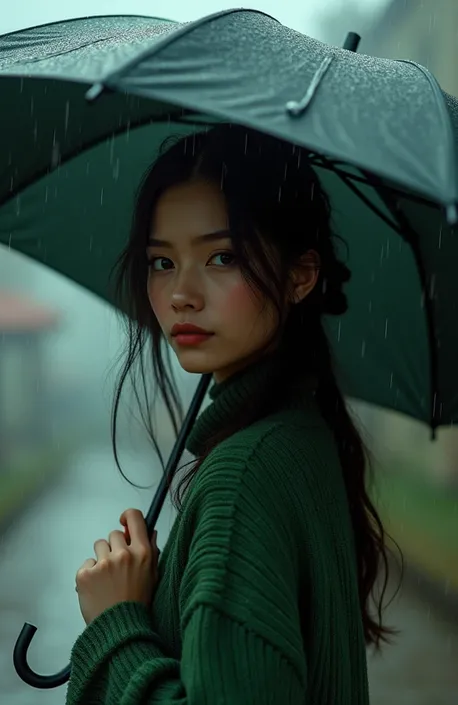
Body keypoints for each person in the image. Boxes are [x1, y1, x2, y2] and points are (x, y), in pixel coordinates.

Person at [67, 124, 402, 705]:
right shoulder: (301, 436)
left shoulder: (244, 477)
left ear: (301, 276)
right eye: (162, 262)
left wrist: (116, 626)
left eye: (222, 256)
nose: (181, 295)